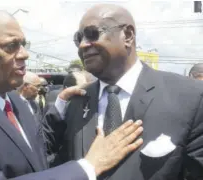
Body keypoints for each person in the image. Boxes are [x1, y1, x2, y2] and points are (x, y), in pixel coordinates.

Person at [0, 10, 144, 180]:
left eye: (24, 44)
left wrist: (60, 107)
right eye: (11, 46)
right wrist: (89, 166)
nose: (25, 54)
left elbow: (33, 150)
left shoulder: (14, 99)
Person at [46, 4, 203, 180]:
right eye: (78, 38)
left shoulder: (188, 97)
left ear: (127, 35)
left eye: (92, 33)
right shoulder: (76, 102)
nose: (83, 45)